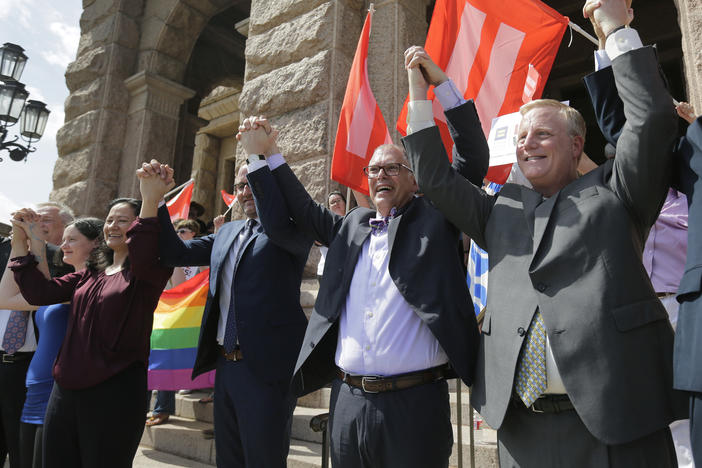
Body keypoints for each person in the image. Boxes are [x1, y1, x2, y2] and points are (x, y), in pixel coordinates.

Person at [401, 0, 687, 465]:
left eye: (543, 135)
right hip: (522, 426)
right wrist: (421, 94)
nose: (527, 144)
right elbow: (434, 177)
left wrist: (615, 30)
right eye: (521, 138)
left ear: (577, 145)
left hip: (616, 424)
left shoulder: (617, 193)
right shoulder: (498, 212)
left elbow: (652, 121)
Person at [239, 102, 485, 467]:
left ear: (415, 180)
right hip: (348, 403)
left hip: (414, 405)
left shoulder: (436, 219)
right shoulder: (352, 224)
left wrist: (435, 92)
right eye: (374, 169)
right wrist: (265, 154)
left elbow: (472, 163)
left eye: (392, 168)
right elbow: (300, 211)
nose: (381, 174)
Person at [139, 160, 310, 468]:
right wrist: (158, 201)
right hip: (226, 367)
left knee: (264, 459)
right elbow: (174, 253)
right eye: (240, 186)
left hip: (267, 371)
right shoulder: (228, 232)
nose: (245, 192)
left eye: (253, 183)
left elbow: (280, 219)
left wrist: (261, 158)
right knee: (229, 459)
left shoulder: (291, 228)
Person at [9, 187, 172, 468]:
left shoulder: (148, 272)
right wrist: (27, 239)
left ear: (140, 224)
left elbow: (145, 244)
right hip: (64, 392)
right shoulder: (90, 273)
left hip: (114, 394)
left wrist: (150, 198)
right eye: (109, 219)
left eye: (122, 220)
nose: (112, 226)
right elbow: (40, 294)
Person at [0, 215, 104, 468]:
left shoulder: (92, 284)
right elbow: (6, 298)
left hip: (60, 388)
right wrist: (20, 243)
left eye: (72, 239)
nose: (64, 244)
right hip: (36, 386)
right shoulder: (66, 284)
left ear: (95, 244)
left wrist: (33, 242)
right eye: (64, 239)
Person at [0, 202, 74, 468]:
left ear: (65, 229)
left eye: (45, 221)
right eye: (33, 219)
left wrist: (36, 246)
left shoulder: (66, 261)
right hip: (1, 360)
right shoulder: (6, 251)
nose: (37, 225)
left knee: (25, 452)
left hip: (34, 367)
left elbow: (42, 297)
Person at [146, 218, 202, 427]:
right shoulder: (164, 256)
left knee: (166, 361)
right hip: (161, 314)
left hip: (185, 319)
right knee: (153, 361)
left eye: (183, 231)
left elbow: (181, 287)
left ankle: (162, 408)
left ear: (194, 234)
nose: (179, 234)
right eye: (176, 231)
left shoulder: (199, 258)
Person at [316, 191, 346, 284]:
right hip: (326, 271)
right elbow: (317, 241)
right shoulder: (324, 224)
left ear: (345, 203)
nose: (336, 203)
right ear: (329, 208)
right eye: (332, 202)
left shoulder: (351, 221)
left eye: (338, 200)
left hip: (345, 271)